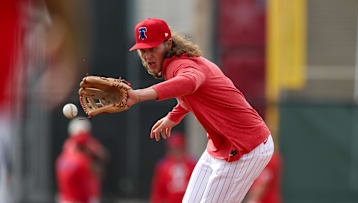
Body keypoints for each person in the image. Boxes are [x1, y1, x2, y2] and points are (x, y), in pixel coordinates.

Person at [126, 18, 274, 202]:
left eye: (152, 49)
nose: (147, 56)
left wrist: (139, 95)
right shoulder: (181, 62)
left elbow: (189, 82)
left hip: (245, 146)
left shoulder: (180, 66)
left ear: (168, 44)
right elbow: (194, 94)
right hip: (221, 146)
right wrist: (174, 116)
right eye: (143, 51)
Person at [56, 118, 109, 203]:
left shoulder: (90, 145)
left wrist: (92, 153)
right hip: (71, 197)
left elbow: (103, 157)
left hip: (88, 195)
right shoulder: (69, 148)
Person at [150, 132, 196, 203]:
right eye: (173, 148)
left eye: (179, 148)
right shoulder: (163, 166)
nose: (176, 152)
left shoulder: (192, 164)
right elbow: (158, 190)